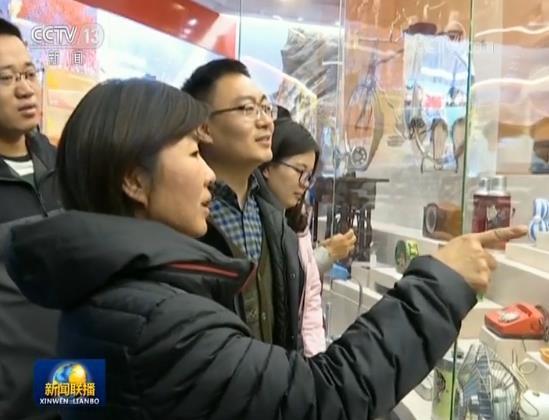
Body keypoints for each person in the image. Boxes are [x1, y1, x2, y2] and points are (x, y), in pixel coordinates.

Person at [5, 77, 528, 420]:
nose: (208, 174)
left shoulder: (123, 292)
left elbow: (86, 386)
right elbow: (322, 398)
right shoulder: (152, 319)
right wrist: (439, 283)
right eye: (193, 152)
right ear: (134, 180)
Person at [182, 59, 305, 350]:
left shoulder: (275, 221)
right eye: (248, 109)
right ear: (204, 128)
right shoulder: (182, 220)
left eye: (266, 108)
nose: (266, 122)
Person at [0, 18, 60, 420]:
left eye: (28, 73)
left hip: (70, 378)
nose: (24, 88)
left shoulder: (62, 165)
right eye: (6, 78)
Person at [260, 108, 334, 356]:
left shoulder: (298, 226)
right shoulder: (252, 225)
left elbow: (310, 299)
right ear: (267, 166)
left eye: (309, 176)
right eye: (299, 171)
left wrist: (314, 360)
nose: (304, 184)